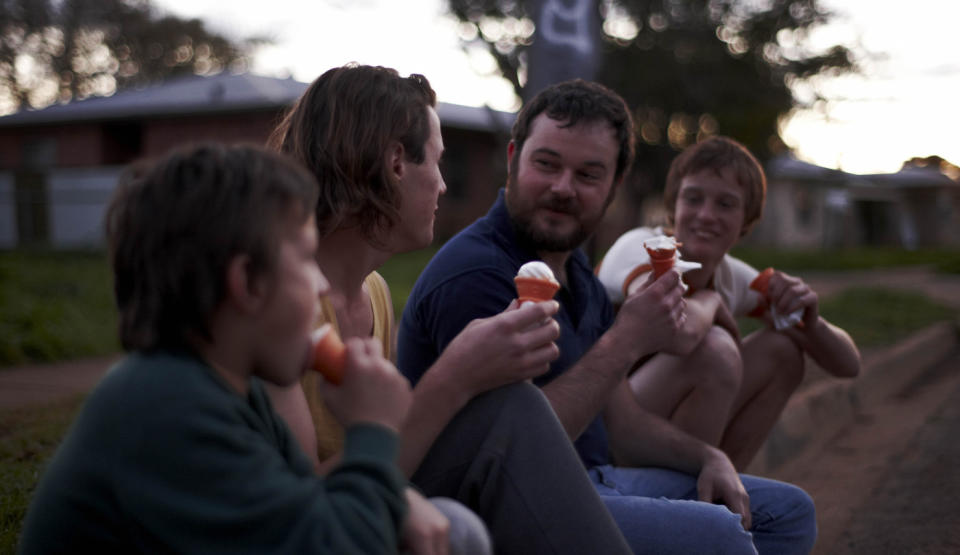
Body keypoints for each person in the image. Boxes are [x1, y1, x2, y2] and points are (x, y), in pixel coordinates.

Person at [398, 80, 819, 554]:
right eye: (547, 164)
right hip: (508, 507)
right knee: (720, 535)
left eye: (588, 174)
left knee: (787, 514)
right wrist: (628, 339)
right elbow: (507, 451)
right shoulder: (478, 275)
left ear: (615, 185)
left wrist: (709, 456)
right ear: (514, 158)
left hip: (599, 478)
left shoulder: (577, 270)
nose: (563, 188)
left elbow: (621, 425)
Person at [266, 64, 633, 554]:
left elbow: (383, 457)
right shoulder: (274, 310)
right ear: (397, 163)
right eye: (437, 163)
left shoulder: (372, 292)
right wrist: (457, 374)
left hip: (385, 516)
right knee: (509, 409)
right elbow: (304, 513)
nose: (442, 185)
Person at [19, 143, 413, 553]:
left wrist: (400, 501)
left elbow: (304, 506)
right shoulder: (164, 407)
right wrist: (374, 430)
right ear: (247, 281)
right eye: (306, 259)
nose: (322, 286)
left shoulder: (238, 393)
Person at [596, 136, 861, 470]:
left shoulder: (732, 276)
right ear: (673, 207)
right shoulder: (642, 247)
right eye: (693, 198)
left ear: (746, 223)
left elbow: (848, 365)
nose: (706, 215)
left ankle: (725, 495)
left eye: (726, 204)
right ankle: (686, 504)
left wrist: (812, 321)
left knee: (783, 351)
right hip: (604, 424)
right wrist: (709, 301)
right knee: (715, 350)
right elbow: (676, 331)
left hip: (652, 412)